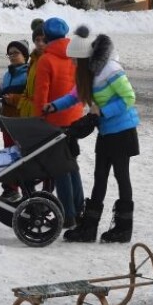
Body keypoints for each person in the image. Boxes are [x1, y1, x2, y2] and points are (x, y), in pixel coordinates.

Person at [53, 26, 140, 243]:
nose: (72, 64)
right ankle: (89, 227)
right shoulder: (88, 73)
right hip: (106, 131)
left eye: (74, 60)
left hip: (122, 131)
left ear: (83, 58)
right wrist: (53, 106)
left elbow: (129, 98)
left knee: (122, 177)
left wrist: (102, 111)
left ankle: (123, 228)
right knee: (99, 177)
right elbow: (76, 95)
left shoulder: (110, 70)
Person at [32, 17, 84, 227]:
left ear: (46, 35)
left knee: (60, 168)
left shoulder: (46, 59)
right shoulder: (75, 56)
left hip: (54, 119)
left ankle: (68, 213)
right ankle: (79, 207)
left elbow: (41, 93)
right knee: (72, 164)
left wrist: (38, 119)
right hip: (75, 117)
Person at [0, 40, 30, 143]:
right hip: (7, 124)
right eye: (10, 54)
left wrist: (13, 99)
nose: (12, 56)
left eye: (16, 53)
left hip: (22, 124)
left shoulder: (29, 74)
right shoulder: (7, 75)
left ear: (25, 56)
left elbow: (32, 99)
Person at [15, 19, 46, 119]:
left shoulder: (49, 60)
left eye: (43, 40)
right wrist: (22, 104)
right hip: (28, 111)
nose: (40, 43)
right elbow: (28, 87)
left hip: (41, 113)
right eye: (37, 40)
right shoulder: (33, 59)